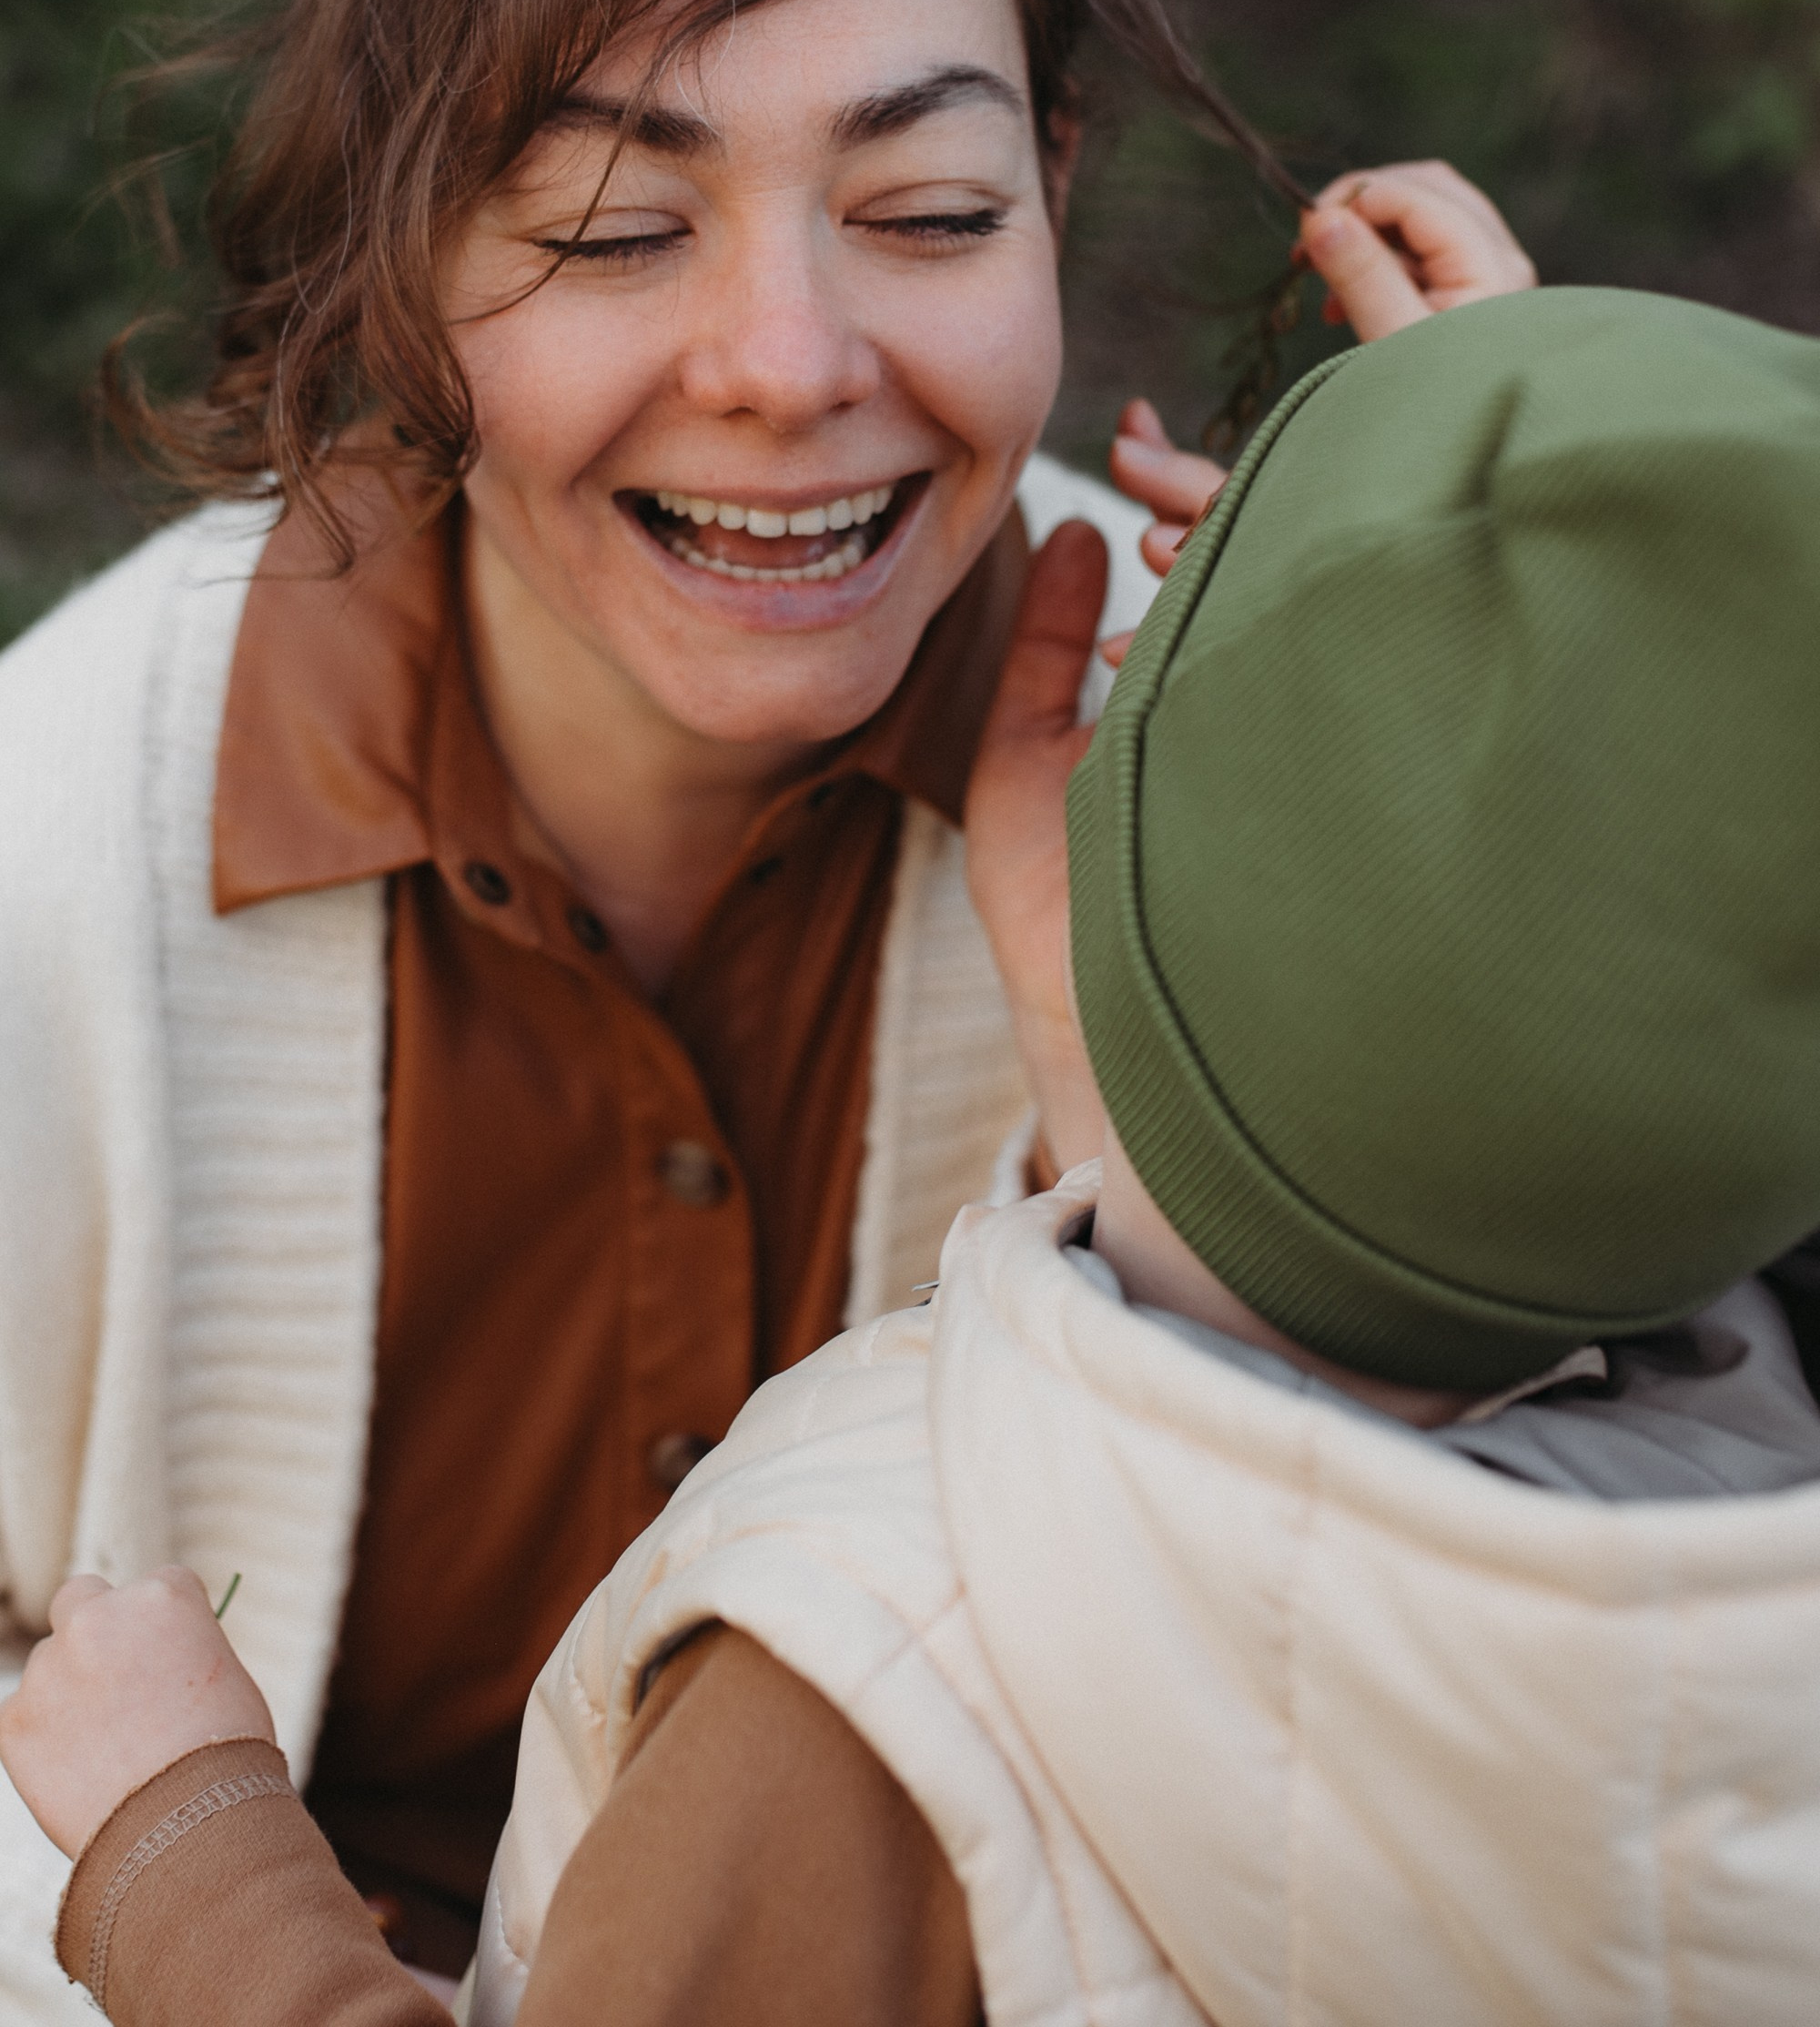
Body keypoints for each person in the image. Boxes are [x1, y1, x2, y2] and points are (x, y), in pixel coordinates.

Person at [0, 0, 1537, 2014]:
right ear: (411, 271)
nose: (796, 361)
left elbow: (1481, 1718)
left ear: (1051, 192)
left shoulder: (1247, 749)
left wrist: (1510, 718)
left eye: (926, 213)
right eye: (620, 225)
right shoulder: (59, 836)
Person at [14, 281, 1820, 2027]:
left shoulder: (865, 1671)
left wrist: (191, 1850)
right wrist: (1584, 650)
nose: (787, 364)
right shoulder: (1744, 1551)